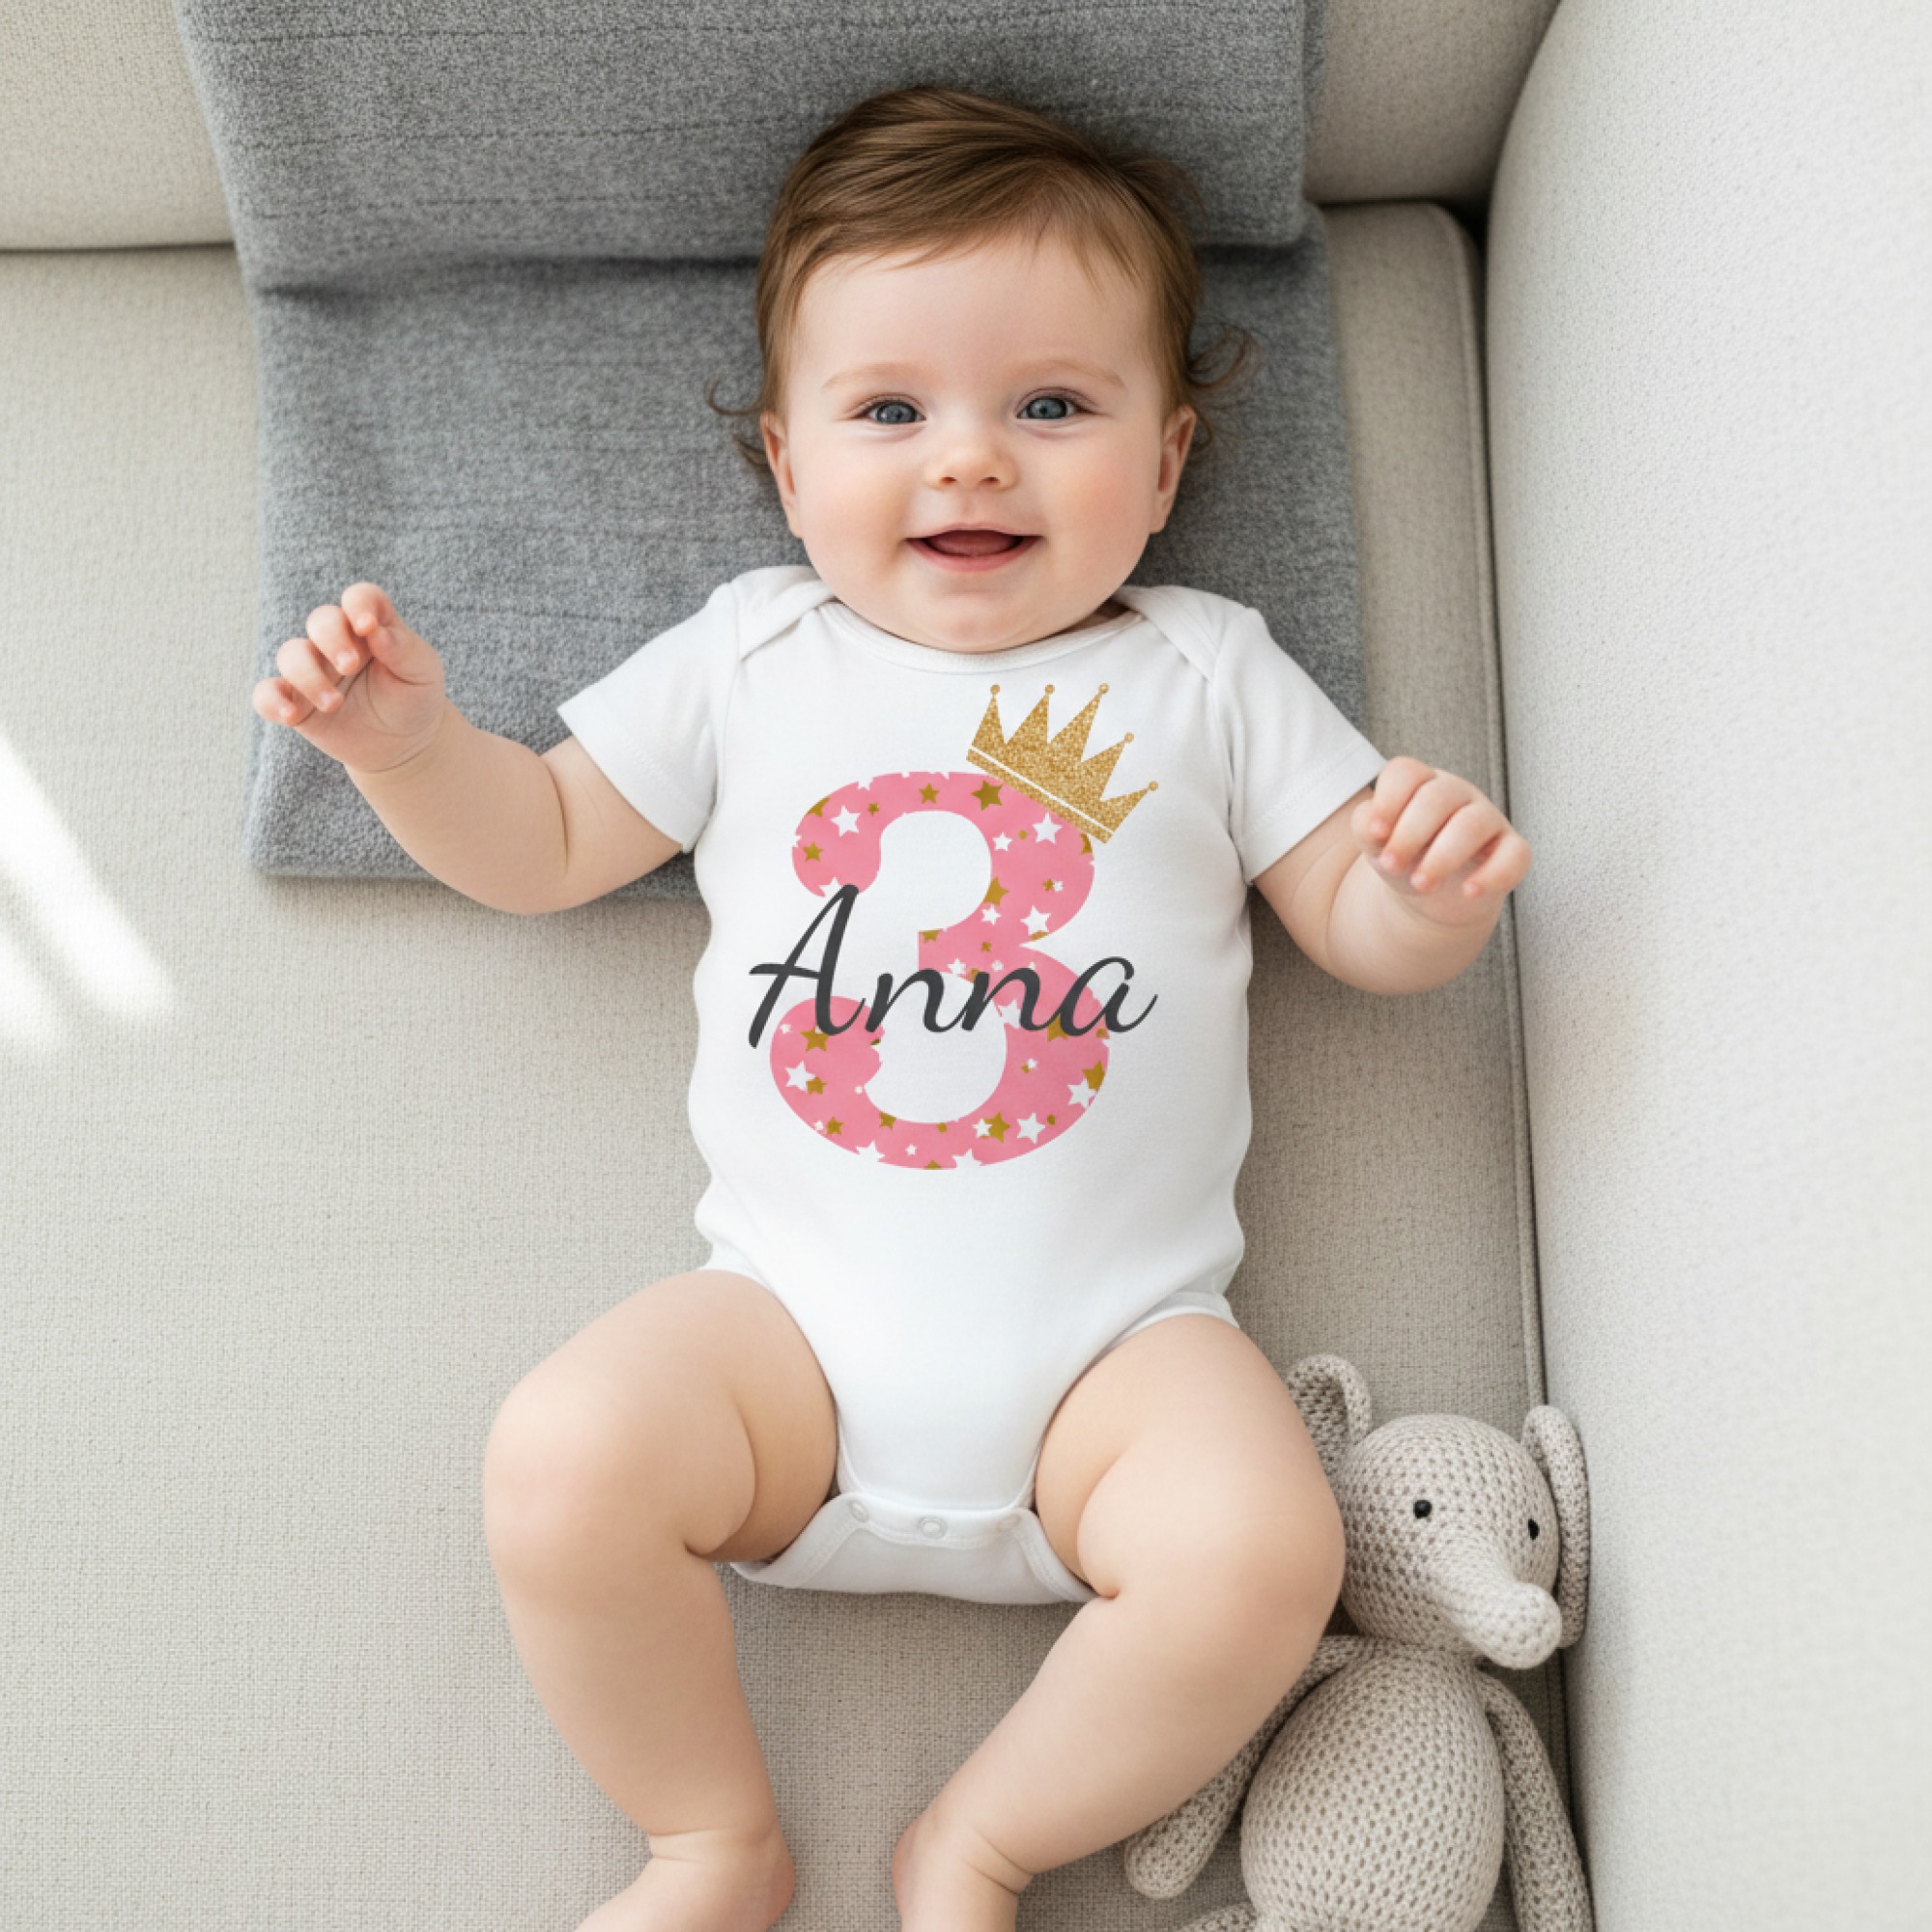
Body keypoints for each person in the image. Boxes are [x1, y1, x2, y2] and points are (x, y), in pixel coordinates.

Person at [250, 85, 1531, 1932]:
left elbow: (1351, 921)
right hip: (785, 1338)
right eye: (891, 413)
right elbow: (542, 844)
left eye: (1054, 407)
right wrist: (408, 750)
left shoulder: (1208, 672)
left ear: (1168, 462)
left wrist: (1421, 895)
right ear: (788, 466)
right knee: (560, 1456)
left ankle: (979, 1843)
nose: (973, 463)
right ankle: (711, 1843)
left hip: (1118, 1363)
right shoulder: (752, 652)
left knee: (1265, 1551)